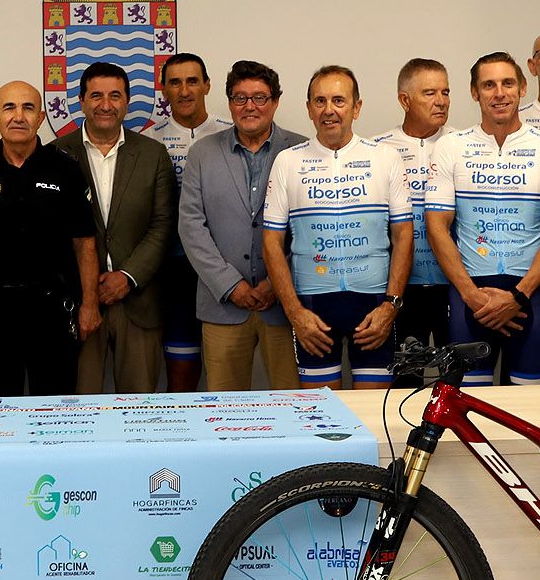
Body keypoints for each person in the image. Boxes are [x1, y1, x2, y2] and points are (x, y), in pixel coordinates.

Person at [0, 81, 100, 396]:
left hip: (52, 311)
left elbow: (85, 245)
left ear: (40, 117)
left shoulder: (66, 169)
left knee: (55, 414)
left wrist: (89, 304)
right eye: (9, 108)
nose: (18, 116)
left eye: (27, 108)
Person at [425, 53, 540, 385]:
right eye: (488, 85)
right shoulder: (451, 146)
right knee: (468, 407)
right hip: (469, 298)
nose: (499, 93)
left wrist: (519, 295)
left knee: (528, 409)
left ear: (522, 88)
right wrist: (472, 295)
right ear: (475, 92)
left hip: (529, 297)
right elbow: (437, 227)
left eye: (508, 83)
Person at [262, 65, 412, 390]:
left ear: (356, 108)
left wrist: (391, 305)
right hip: (313, 309)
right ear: (309, 109)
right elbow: (271, 243)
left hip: (373, 306)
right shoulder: (288, 161)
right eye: (320, 101)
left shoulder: (386, 158)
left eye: (339, 100)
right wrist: (294, 312)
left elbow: (403, 236)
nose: (329, 110)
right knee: (324, 420)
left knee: (372, 417)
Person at [180, 61, 307, 390]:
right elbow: (191, 227)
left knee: (295, 406)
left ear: (275, 102)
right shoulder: (202, 153)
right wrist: (230, 285)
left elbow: (310, 230)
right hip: (222, 304)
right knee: (225, 411)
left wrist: (276, 282)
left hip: (285, 306)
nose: (250, 106)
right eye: (240, 98)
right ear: (230, 102)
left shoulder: (302, 151)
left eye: (260, 98)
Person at [54, 62, 175, 394]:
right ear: (80, 101)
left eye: (114, 96)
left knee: (138, 413)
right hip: (79, 303)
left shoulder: (153, 155)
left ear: (127, 101)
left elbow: (163, 225)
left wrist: (128, 276)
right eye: (96, 96)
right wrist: (87, 284)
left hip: (138, 299)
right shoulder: (55, 155)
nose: (105, 105)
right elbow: (51, 232)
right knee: (78, 410)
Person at [152, 52, 230, 391]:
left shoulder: (231, 133)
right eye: (175, 82)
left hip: (225, 267)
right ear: (164, 90)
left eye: (192, 81)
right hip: (173, 270)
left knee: (226, 368)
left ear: (207, 86)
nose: (184, 91)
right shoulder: (147, 141)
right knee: (181, 373)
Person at [372, 58, 452, 366]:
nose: (441, 101)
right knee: (405, 382)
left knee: (456, 384)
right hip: (402, 290)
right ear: (405, 100)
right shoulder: (378, 149)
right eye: (430, 93)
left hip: (453, 287)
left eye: (445, 92)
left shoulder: (463, 143)